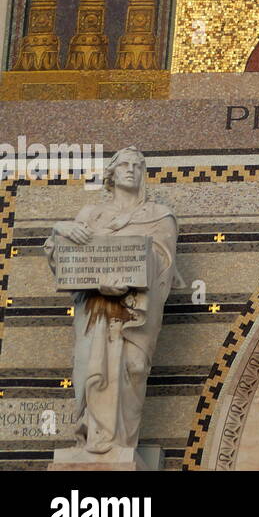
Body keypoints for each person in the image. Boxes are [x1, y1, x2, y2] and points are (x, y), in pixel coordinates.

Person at [44, 147, 182, 458]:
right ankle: (93, 439)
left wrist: (129, 285)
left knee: (132, 367)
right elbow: (66, 259)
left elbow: (164, 266)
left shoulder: (159, 217)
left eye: (137, 165)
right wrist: (59, 229)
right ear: (112, 173)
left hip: (137, 310)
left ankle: (121, 442)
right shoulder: (91, 215)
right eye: (124, 165)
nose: (131, 169)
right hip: (96, 310)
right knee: (93, 370)